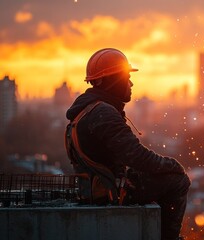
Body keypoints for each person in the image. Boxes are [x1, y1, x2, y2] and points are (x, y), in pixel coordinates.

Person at [65, 48, 190, 240]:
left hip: (96, 188)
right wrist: (172, 165)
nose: (131, 83)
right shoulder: (103, 113)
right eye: (126, 78)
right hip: (109, 193)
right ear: (112, 81)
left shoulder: (87, 111)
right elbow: (137, 156)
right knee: (178, 180)